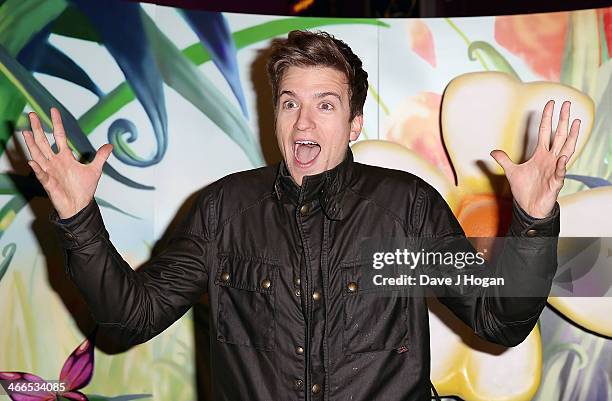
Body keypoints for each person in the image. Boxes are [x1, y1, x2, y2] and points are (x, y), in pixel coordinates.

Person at [23, 30, 579, 401]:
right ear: (275, 114)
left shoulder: (404, 208)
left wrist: (532, 220)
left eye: (325, 104)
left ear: (355, 122)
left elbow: (499, 320)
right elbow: (129, 319)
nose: (304, 122)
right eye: (290, 102)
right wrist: (78, 218)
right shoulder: (224, 212)